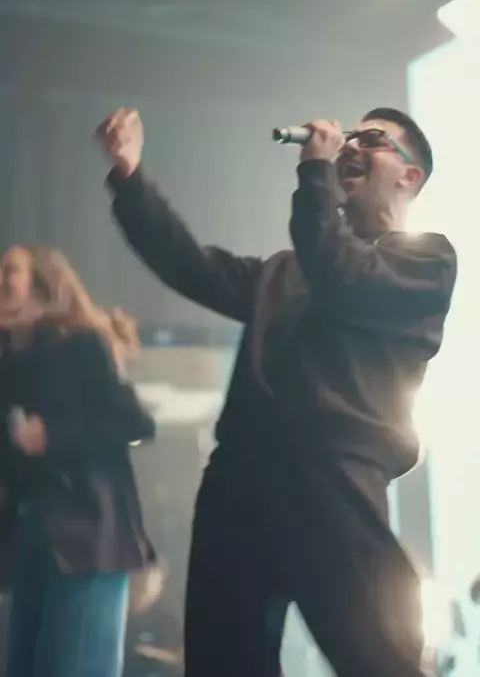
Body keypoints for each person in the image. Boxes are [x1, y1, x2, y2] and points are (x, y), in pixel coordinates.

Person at [96, 106, 457, 677]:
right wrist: (129, 176)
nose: (350, 147)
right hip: (239, 477)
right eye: (349, 139)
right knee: (224, 660)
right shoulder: (285, 271)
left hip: (333, 476)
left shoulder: (425, 261)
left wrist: (314, 175)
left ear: (409, 176)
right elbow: (191, 266)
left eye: (372, 140)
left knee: (375, 656)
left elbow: (341, 274)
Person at [0, 244, 156, 677]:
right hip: (33, 538)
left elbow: (136, 425)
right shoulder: (11, 362)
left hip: (88, 537)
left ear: (45, 287)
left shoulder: (82, 345)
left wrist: (55, 435)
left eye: (10, 272)